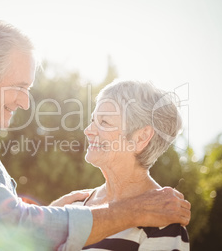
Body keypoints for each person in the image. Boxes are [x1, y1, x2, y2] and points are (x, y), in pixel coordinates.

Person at [0, 19, 190, 250]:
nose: (25, 101)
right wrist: (132, 211)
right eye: (20, 87)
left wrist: (51, 214)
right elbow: (15, 227)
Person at [73, 80, 189, 250]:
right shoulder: (74, 205)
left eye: (104, 122)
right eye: (93, 120)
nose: (88, 130)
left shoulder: (164, 220)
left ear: (141, 137)